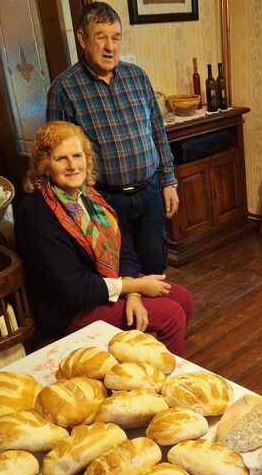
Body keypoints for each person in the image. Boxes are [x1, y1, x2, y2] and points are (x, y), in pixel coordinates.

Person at [15, 121, 192, 355]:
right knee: (171, 316)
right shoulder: (36, 211)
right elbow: (73, 290)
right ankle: (153, 384)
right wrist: (133, 286)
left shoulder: (90, 196)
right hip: (67, 309)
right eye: (61, 159)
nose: (72, 166)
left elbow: (124, 249)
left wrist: (134, 293)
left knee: (183, 299)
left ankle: (139, 363)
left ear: (87, 159)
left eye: (77, 156)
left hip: (105, 284)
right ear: (44, 165)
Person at [46, 1, 178, 275]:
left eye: (115, 37)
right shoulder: (64, 89)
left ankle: (159, 318)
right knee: (119, 273)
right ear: (83, 39)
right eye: (101, 37)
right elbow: (57, 157)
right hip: (104, 200)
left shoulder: (137, 77)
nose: (110, 46)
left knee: (155, 267)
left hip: (150, 192)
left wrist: (169, 182)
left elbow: (158, 133)